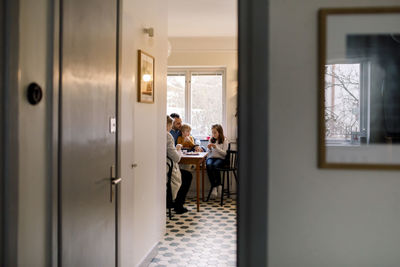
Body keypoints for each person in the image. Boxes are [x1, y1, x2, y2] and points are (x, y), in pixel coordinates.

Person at [166, 115, 193, 214]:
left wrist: (196, 144)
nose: (180, 125)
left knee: (185, 174)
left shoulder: (179, 132)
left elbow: (193, 138)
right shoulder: (168, 135)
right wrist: (178, 149)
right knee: (187, 176)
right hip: (167, 168)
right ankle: (178, 204)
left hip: (164, 166)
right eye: (177, 123)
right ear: (169, 125)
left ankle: (175, 203)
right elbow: (176, 158)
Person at [206, 124, 229, 199]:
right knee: (208, 165)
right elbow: (208, 152)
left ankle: (218, 185)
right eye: (212, 132)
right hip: (212, 158)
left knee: (215, 166)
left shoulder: (224, 140)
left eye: (215, 132)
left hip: (221, 159)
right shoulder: (211, 139)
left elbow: (225, 153)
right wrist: (209, 149)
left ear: (220, 132)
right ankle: (214, 186)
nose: (213, 134)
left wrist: (216, 147)